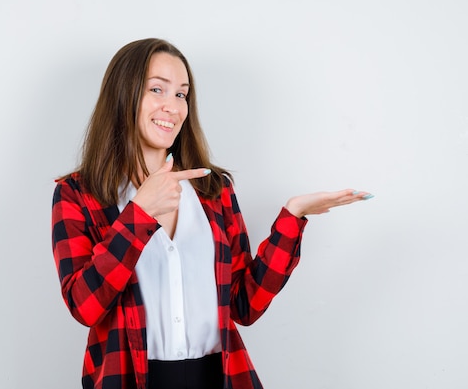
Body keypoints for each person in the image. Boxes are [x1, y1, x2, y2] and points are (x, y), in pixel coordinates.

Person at [51, 38, 373, 389]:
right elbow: (85, 306)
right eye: (157, 89)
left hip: (218, 377)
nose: (172, 106)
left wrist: (292, 219)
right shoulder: (78, 195)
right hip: (130, 379)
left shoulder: (214, 190)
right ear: (122, 95)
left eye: (181, 94)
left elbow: (244, 305)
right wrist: (140, 213)